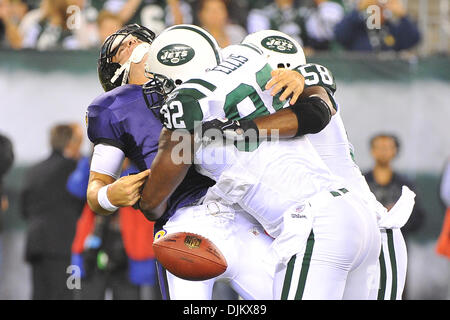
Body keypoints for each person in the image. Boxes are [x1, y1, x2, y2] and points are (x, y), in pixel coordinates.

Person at [139, 25, 381, 300]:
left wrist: (136, 192)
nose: (157, 90)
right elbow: (313, 114)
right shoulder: (250, 61)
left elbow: (153, 204)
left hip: (315, 225)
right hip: (356, 216)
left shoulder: (186, 106)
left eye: (160, 82)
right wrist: (242, 128)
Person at [86, 23, 312, 300]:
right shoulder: (113, 106)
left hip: (244, 211)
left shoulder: (217, 70)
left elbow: (295, 97)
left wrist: (301, 79)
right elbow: (95, 189)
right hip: (186, 221)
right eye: (122, 48)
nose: (132, 45)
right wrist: (109, 196)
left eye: (138, 40)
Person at [20, 123, 85, 300]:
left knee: (39, 295)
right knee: (65, 295)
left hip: (36, 244)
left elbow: (24, 209)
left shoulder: (34, 170)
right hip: (63, 247)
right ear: (71, 143)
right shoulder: (74, 169)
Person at [363, 133, 426, 299]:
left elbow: (418, 218)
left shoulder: (405, 185)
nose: (383, 151)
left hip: (396, 248)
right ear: (372, 151)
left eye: (388, 147)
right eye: (379, 147)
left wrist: (397, 216)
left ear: (395, 151)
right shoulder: (361, 182)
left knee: (396, 288)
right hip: (365, 248)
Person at [334, 0, 421, 51]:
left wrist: (403, 15)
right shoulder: (357, 27)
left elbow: (413, 39)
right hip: (359, 77)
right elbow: (339, 35)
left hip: (388, 77)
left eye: (381, 9)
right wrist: (358, 9)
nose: (378, 12)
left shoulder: (392, 29)